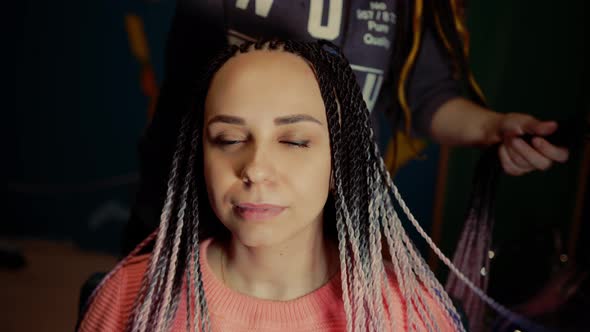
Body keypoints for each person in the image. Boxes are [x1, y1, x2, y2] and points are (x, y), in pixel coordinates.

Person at [121, 1, 569, 255]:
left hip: (332, 220)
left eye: (295, 139)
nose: (260, 165)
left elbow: (427, 95)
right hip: (190, 212)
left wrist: (496, 129)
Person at [78, 40, 465, 331]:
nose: (256, 169)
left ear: (338, 165)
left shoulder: (409, 314)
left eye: (295, 141)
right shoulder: (131, 297)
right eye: (229, 139)